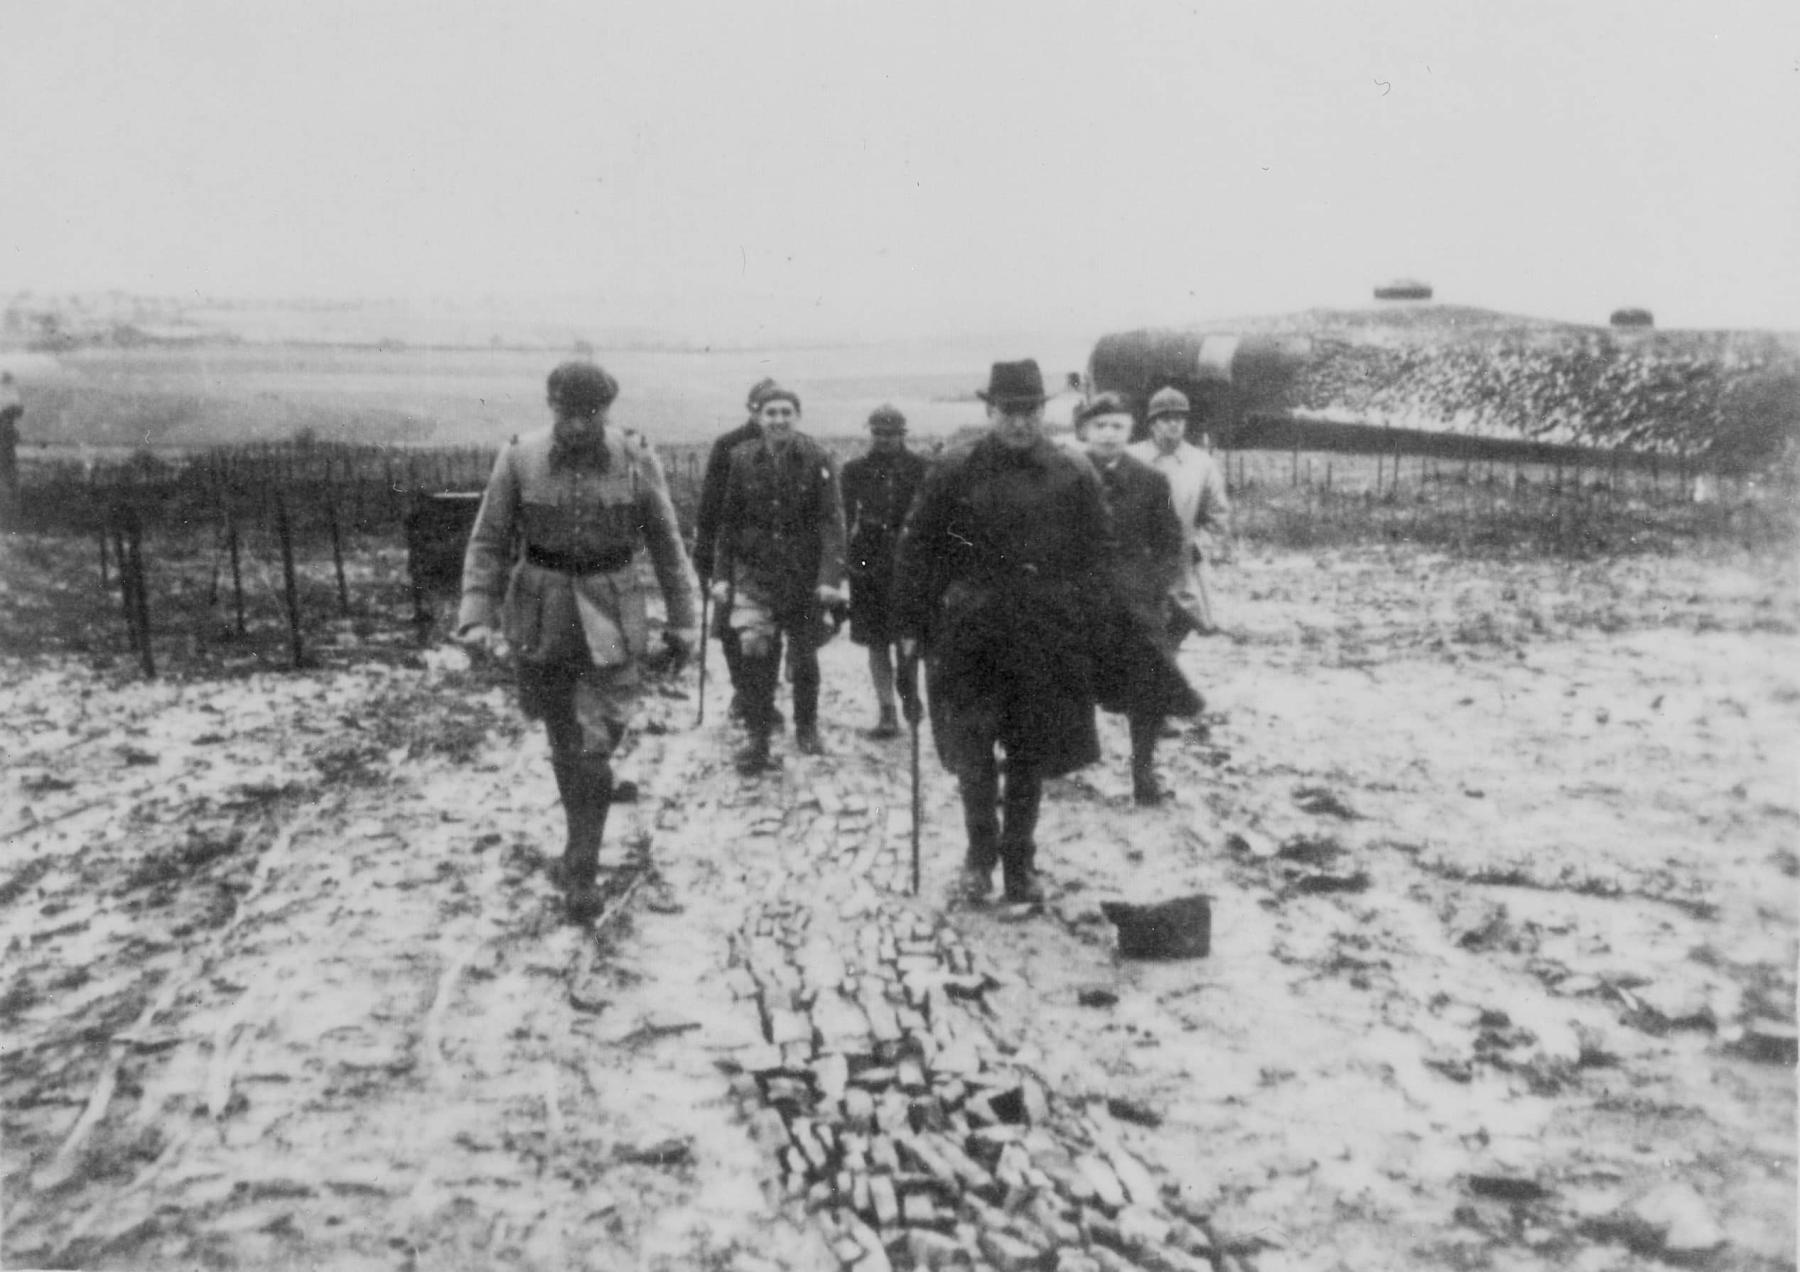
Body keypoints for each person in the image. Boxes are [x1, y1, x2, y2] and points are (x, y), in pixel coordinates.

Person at [457, 361, 700, 922]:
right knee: (566, 737)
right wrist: (476, 617)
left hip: (612, 613)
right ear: (552, 408)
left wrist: (684, 620)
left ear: (607, 412)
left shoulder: (636, 457)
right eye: (567, 415)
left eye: (590, 415)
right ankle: (581, 847)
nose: (577, 427)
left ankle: (584, 862)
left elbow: (666, 545)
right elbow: (489, 542)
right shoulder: (518, 457)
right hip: (540, 614)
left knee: (597, 740)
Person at [893, 360, 1113, 905]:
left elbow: (1099, 555)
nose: (1019, 423)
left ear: (1044, 412)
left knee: (1029, 753)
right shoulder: (954, 470)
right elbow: (917, 549)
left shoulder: (1072, 473)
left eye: (1030, 412)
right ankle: (978, 857)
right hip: (969, 634)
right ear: (990, 411)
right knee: (972, 753)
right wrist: (913, 625)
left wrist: (1084, 618)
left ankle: (1020, 863)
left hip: (1042, 634)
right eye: (1009, 412)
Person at [712, 385, 848, 773]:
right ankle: (758, 738)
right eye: (771, 413)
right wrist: (722, 575)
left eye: (786, 412)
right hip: (755, 575)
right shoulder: (740, 460)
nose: (779, 420)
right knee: (757, 656)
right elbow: (728, 523)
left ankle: (807, 727)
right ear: (757, 417)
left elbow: (832, 522)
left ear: (797, 416)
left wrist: (829, 577)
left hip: (803, 578)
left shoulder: (817, 458)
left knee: (804, 657)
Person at [1074, 393, 1202, 805]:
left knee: (1146, 684)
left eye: (1117, 426)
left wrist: (1152, 586)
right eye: (1100, 426)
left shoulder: (1150, 481)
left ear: (1130, 431)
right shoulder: (1065, 475)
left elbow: (1169, 543)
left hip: (1132, 603)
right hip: (1077, 598)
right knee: (1056, 677)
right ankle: (1047, 759)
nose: (1109, 434)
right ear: (1084, 431)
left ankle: (1143, 769)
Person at [692, 377, 779, 720]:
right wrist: (705, 551)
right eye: (763, 408)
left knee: (769, 631)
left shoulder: (792, 447)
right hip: (730, 550)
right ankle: (744, 692)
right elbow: (710, 504)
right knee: (730, 626)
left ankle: (764, 699)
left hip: (773, 556)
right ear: (752, 409)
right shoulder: (729, 445)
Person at [840, 404, 929, 738]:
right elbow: (844, 518)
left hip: (909, 560)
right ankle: (887, 711)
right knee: (876, 639)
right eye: (878, 433)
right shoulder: (854, 470)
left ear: (902, 434)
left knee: (907, 635)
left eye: (891, 434)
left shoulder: (922, 468)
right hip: (869, 560)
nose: (884, 439)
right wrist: (846, 563)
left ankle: (908, 691)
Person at [1127, 387, 1232, 639]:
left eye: (1179, 418)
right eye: (1165, 419)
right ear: (1152, 424)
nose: (1173, 425)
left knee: (1175, 635)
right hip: (1140, 564)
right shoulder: (1132, 458)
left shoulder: (1201, 463)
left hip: (1183, 568)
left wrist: (1198, 545)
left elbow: (1218, 516)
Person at [0, 371, 22, 527]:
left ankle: (9, 512)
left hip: (6, 451)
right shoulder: (9, 396)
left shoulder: (8, 396)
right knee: (9, 479)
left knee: (8, 479)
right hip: (6, 452)